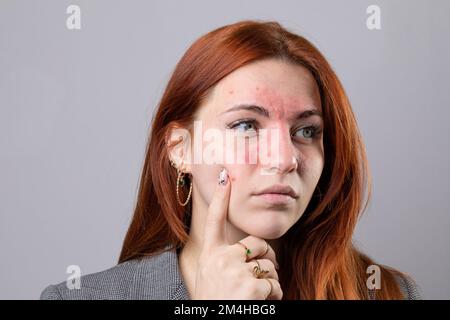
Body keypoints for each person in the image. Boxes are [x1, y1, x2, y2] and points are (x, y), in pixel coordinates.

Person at [40, 20, 422, 300]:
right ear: (180, 149)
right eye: (245, 125)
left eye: (306, 131)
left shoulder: (388, 293)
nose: (285, 158)